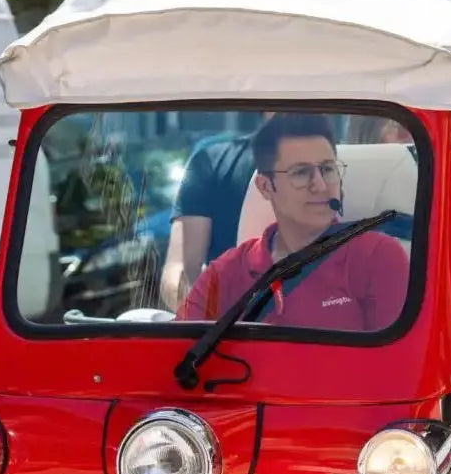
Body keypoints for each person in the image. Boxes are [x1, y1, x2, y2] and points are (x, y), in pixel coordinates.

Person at [176, 113, 409, 330]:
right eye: (301, 172)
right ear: (266, 186)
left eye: (327, 169)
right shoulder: (226, 272)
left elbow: (400, 366)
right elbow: (177, 355)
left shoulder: (376, 256)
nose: (319, 185)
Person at [160, 114, 274, 309]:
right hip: (229, 331)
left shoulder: (338, 165)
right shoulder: (210, 163)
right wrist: (208, 315)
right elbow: (180, 269)